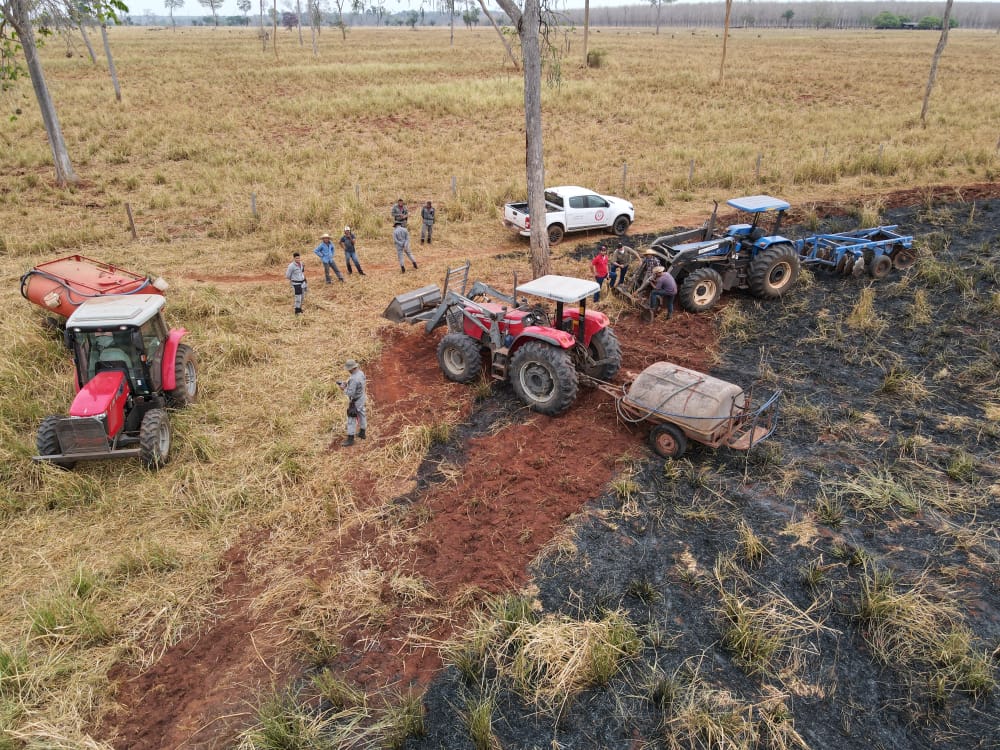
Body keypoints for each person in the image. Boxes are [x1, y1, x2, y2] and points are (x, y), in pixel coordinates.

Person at [338, 359, 367, 446]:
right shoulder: (360, 373)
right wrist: (347, 383)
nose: (348, 371)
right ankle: (362, 433)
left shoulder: (354, 379)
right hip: (361, 397)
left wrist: (343, 388)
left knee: (351, 418)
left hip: (355, 401)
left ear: (352, 368)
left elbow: (350, 393)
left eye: (349, 369)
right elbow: (357, 383)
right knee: (362, 414)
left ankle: (350, 439)